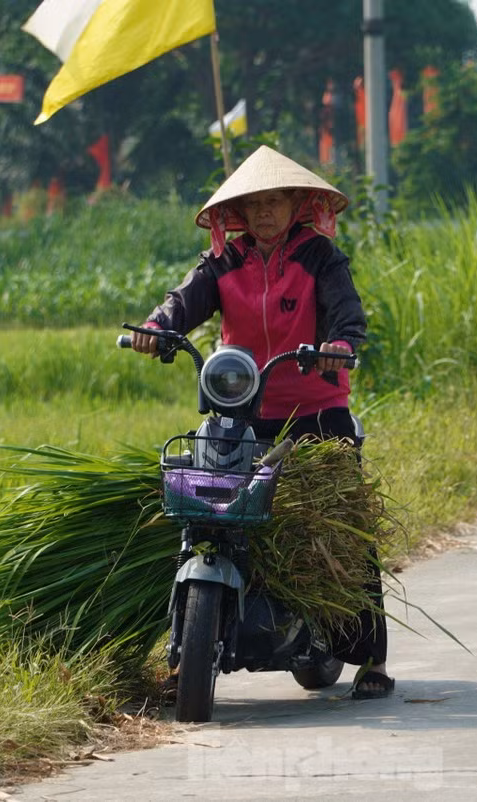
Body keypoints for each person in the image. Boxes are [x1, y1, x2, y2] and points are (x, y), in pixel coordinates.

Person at [130, 145, 394, 700]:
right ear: (240, 213)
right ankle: (188, 645)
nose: (265, 213)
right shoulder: (224, 261)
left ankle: (371, 658)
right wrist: (156, 327)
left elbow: (347, 312)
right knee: (203, 516)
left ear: (296, 204)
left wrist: (337, 344)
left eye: (275, 201)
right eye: (254, 204)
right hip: (242, 412)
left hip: (316, 413)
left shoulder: (321, 257)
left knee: (345, 527)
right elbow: (183, 301)